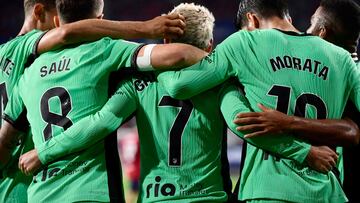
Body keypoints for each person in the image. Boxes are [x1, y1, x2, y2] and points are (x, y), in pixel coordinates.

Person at [18, 2, 346, 202]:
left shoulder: (138, 83)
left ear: (164, 41)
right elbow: (245, 125)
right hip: (211, 198)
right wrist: (304, 151)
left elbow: (100, 122)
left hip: (155, 199)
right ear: (208, 44)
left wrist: (43, 152)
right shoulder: (223, 84)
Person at [151, 0, 360, 201]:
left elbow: (180, 86)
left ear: (252, 20)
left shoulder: (245, 43)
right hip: (328, 192)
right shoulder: (342, 58)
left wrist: (155, 66)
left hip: (268, 189)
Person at [0, 0, 194, 201]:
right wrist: (216, 60)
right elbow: (175, 56)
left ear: (58, 21)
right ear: (100, 21)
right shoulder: (104, 50)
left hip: (39, 193)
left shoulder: (26, 74)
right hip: (93, 189)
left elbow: (5, 143)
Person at [233, 0, 360, 201]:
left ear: (322, 33)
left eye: (311, 24)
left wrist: (287, 122)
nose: (304, 31)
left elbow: (353, 132)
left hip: (312, 182)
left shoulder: (346, 74)